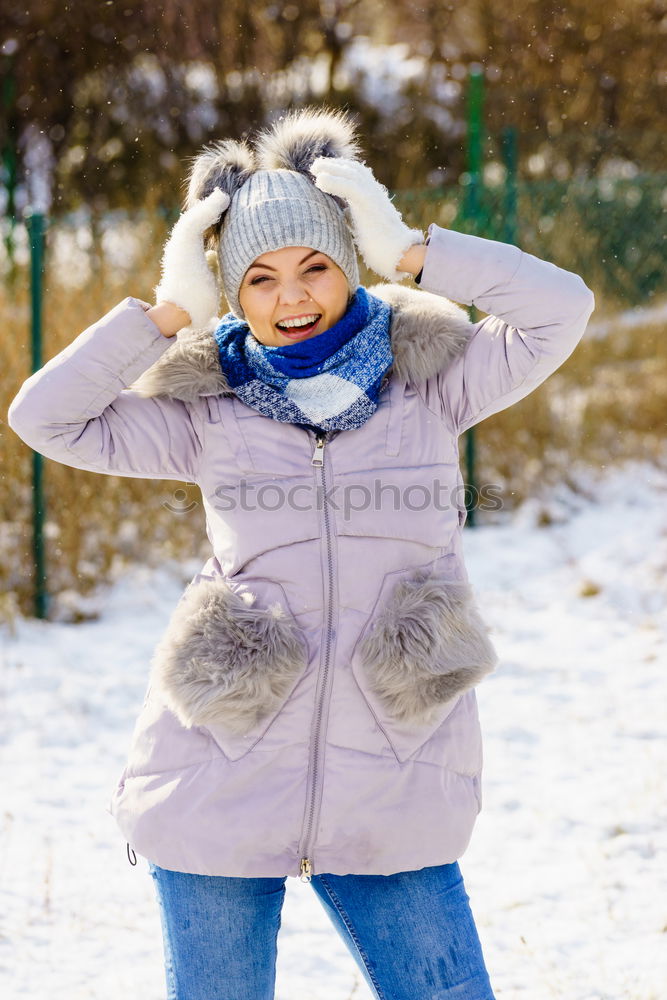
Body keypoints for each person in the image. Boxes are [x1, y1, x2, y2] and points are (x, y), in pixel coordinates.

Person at [8, 107, 595, 1000]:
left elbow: (561, 310)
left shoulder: (432, 381)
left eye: (316, 266)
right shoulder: (204, 413)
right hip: (220, 765)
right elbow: (44, 418)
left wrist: (408, 249)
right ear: (230, 295)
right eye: (260, 279)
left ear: (347, 263)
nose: (292, 299)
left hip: (394, 764)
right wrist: (166, 311)